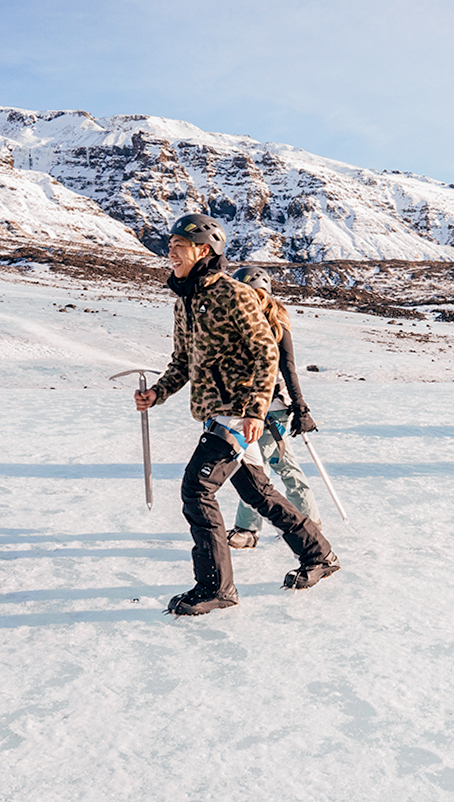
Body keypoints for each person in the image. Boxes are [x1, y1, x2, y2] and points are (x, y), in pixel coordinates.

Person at [136, 214, 339, 616]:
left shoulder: (234, 294)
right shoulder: (185, 302)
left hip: (237, 413)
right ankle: (320, 555)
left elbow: (266, 353)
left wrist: (254, 411)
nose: (170, 252)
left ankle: (215, 588)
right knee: (257, 493)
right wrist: (158, 392)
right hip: (215, 414)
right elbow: (182, 361)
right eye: (170, 246)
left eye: (179, 246)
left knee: (197, 489)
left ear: (204, 250)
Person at [225, 266, 322, 548]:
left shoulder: (275, 320)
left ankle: (248, 529)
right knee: (284, 466)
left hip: (272, 408)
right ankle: (311, 522)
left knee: (257, 470)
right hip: (246, 407)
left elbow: (287, 366)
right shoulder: (237, 319)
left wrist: (300, 406)